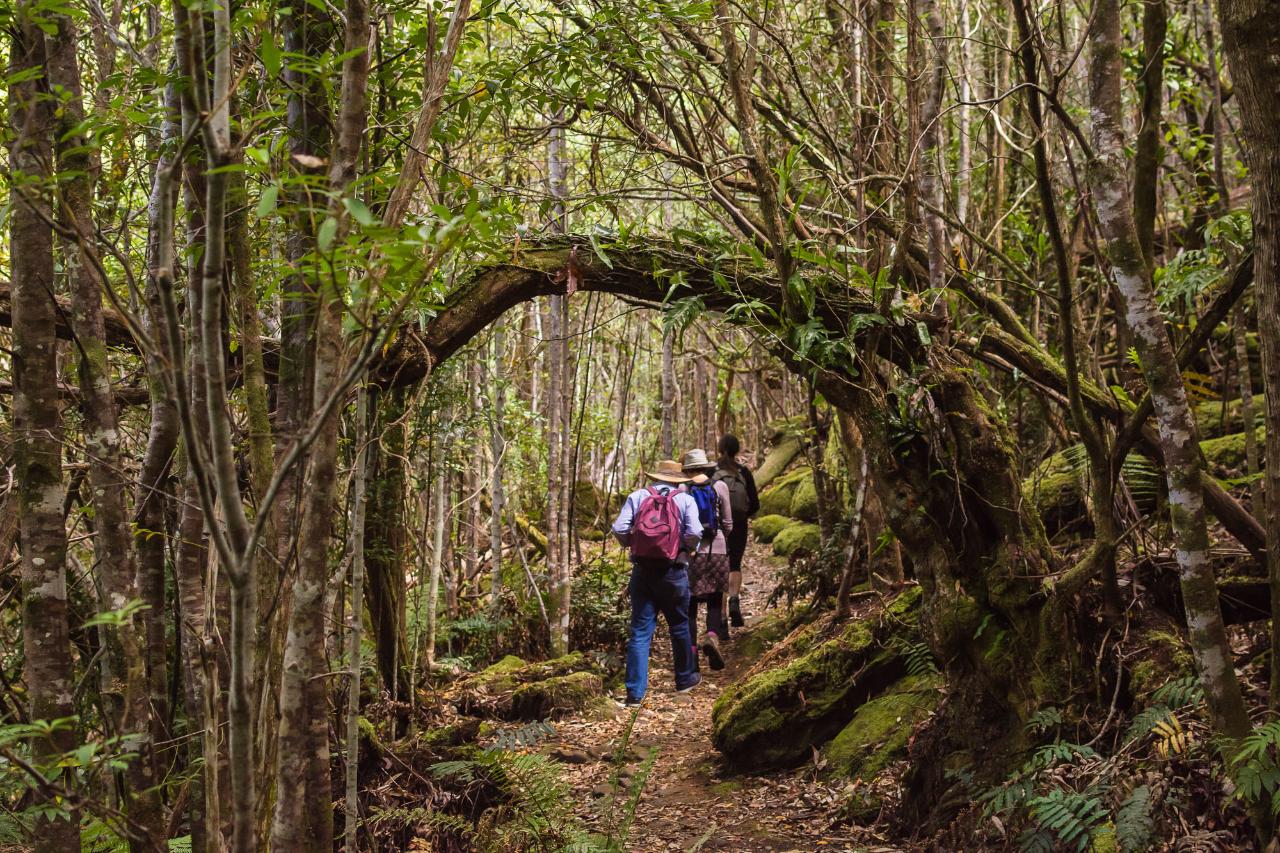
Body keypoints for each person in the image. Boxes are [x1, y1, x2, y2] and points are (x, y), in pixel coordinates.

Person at [611, 460, 705, 706]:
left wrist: (635, 545)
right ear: (677, 479)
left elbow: (619, 527)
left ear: (656, 476)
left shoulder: (638, 496)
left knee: (640, 632)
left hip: (642, 571)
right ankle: (684, 679)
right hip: (673, 571)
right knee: (679, 625)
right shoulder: (685, 500)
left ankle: (635, 693)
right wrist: (685, 548)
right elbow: (695, 531)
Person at [680, 449, 733, 670]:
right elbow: (728, 523)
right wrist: (720, 537)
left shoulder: (682, 489)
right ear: (706, 466)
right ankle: (711, 635)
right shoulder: (719, 486)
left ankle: (691, 656)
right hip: (718, 548)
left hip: (692, 553)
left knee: (690, 604)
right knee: (714, 598)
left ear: (688, 469)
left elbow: (681, 524)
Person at [713, 435, 760, 628]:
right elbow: (755, 504)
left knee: (719, 568)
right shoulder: (743, 472)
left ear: (720, 449)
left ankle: (722, 618)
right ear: (737, 450)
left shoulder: (711, 471)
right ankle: (734, 599)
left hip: (716, 526)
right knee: (734, 565)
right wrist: (742, 516)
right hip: (739, 524)